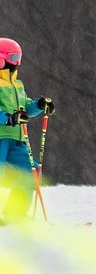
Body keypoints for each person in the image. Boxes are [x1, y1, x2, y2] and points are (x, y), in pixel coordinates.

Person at [0, 37, 53, 225]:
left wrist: (39, 105)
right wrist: (9, 117)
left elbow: (25, 109)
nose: (17, 63)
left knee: (33, 171)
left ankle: (15, 214)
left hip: (16, 140)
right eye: (13, 57)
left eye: (19, 58)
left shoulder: (17, 85)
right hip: (1, 137)